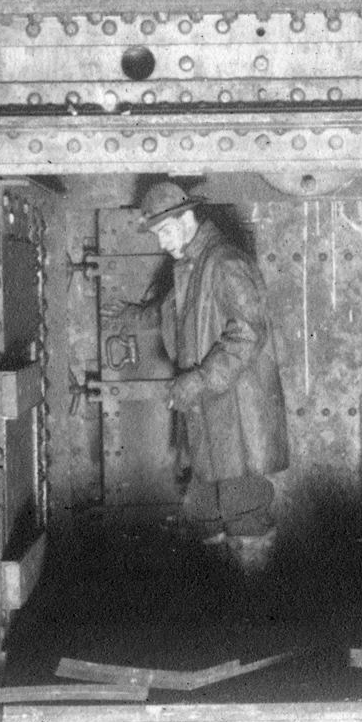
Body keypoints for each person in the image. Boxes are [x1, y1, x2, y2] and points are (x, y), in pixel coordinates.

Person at [126, 177, 290, 568]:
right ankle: (226, 611)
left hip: (237, 420)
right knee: (209, 512)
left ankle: (254, 612)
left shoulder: (225, 261)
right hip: (211, 419)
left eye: (165, 230)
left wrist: (199, 379)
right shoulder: (192, 266)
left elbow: (249, 331)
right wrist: (137, 316)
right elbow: (186, 317)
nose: (162, 242)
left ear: (186, 218)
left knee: (244, 512)